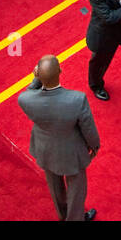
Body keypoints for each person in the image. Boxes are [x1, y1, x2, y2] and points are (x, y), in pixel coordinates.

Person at [17, 54, 99, 222]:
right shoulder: (77, 99)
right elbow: (88, 128)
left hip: (45, 149)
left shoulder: (25, 99)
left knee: (55, 187)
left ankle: (62, 216)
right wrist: (94, 146)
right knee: (76, 191)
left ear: (38, 74)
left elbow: (29, 92)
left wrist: (35, 80)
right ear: (60, 71)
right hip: (71, 153)